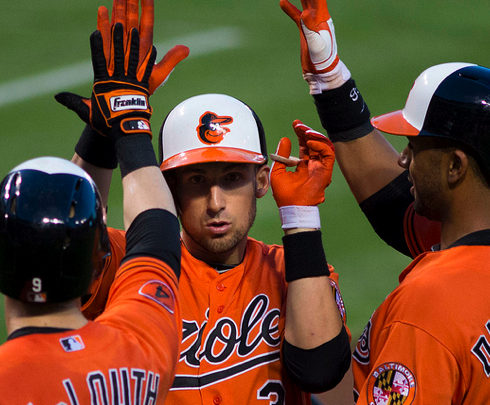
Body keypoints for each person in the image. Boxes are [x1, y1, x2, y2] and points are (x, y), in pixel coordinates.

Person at [54, 1, 352, 404]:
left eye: (232, 179)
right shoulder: (136, 265)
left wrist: (300, 218)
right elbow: (62, 248)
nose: (215, 203)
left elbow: (326, 379)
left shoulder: (295, 272)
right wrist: (102, 136)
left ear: (261, 180)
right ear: (169, 187)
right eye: (196, 181)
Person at [281, 0, 490, 403]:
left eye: (414, 146)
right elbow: (396, 208)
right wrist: (331, 78)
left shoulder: (427, 308)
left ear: (455, 167)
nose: (403, 158)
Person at [0, 23, 182, 401]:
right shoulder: (138, 351)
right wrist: (127, 121)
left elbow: (159, 235)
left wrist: (104, 133)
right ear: (98, 262)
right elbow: (157, 237)